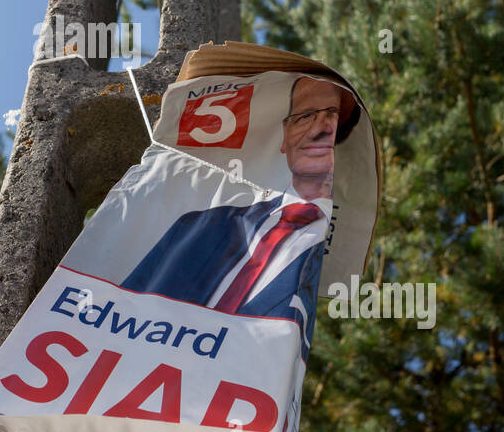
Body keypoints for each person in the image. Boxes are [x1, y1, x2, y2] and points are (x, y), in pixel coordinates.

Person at [121, 76, 359, 360]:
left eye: (332, 117)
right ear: (285, 137)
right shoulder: (199, 226)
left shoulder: (329, 262)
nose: (321, 129)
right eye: (306, 116)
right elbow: (120, 308)